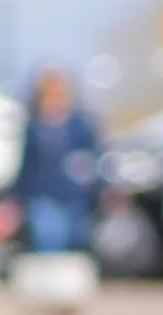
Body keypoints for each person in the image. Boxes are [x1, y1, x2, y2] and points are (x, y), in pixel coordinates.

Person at [9, 66, 107, 263]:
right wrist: (14, 197)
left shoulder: (80, 126)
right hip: (43, 195)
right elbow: (27, 165)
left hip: (76, 196)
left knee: (76, 241)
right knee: (48, 239)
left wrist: (103, 188)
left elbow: (95, 159)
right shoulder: (34, 127)